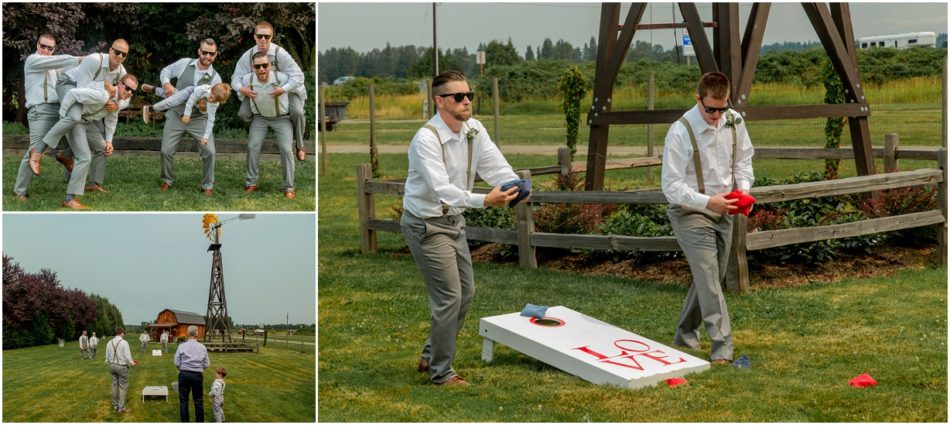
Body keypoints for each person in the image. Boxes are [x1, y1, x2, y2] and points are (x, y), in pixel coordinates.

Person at [401, 70, 521, 386]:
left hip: (454, 221)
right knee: (449, 297)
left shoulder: (473, 130)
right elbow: (442, 189)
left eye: (469, 95)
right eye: (458, 96)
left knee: (465, 291)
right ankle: (441, 373)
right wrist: (486, 201)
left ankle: (431, 355)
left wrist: (513, 186)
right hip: (426, 224)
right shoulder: (426, 139)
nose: (466, 101)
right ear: (440, 101)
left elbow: (496, 166)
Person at [660, 71, 754, 365]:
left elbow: (744, 161)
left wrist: (744, 192)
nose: (716, 115)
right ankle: (722, 347)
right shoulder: (680, 131)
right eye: (710, 108)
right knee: (711, 278)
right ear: (697, 98)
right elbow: (671, 187)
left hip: (725, 209)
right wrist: (707, 201)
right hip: (690, 211)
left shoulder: (735, 122)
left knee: (708, 277)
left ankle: (685, 332)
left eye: (721, 108)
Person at [29, 39, 129, 191]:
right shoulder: (95, 60)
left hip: (90, 100)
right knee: (75, 118)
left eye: (124, 54)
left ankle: (93, 181)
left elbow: (127, 96)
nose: (120, 56)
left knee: (101, 142)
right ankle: (38, 152)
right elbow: (81, 89)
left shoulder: (121, 72)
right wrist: (104, 86)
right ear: (110, 50)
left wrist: (117, 104)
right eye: (117, 52)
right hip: (69, 84)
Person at [39, 74, 136, 209]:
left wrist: (109, 142)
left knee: (103, 148)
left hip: (88, 123)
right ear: (119, 84)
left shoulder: (122, 101)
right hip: (76, 120)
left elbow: (112, 119)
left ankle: (71, 162)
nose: (129, 92)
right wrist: (63, 117)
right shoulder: (103, 94)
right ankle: (69, 198)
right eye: (127, 87)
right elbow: (73, 93)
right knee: (84, 157)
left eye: (133, 91)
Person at [12, 33, 82, 202]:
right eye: (42, 46)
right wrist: (81, 57)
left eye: (49, 48)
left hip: (59, 109)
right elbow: (63, 61)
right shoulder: (33, 60)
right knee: (35, 150)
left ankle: (68, 172)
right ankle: (19, 191)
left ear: (53, 49)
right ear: (37, 45)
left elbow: (74, 73)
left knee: (76, 138)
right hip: (40, 111)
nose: (45, 50)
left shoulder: (55, 65)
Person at [152, 38, 222, 196]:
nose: (207, 57)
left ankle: (207, 185)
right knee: (166, 151)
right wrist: (166, 84)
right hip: (177, 114)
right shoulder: (185, 63)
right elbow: (166, 72)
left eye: (211, 54)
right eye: (205, 52)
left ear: (215, 55)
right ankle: (166, 180)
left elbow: (211, 109)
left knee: (210, 151)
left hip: (198, 119)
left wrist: (204, 108)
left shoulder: (216, 79)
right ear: (199, 51)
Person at [232, 21, 308, 161]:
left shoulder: (280, 53)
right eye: (260, 36)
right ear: (254, 37)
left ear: (272, 37)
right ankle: (261, 120)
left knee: (297, 111)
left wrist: (283, 89)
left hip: (285, 91)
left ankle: (300, 145)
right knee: (243, 113)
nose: (263, 40)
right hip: (258, 92)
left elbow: (299, 76)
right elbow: (235, 78)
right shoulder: (248, 56)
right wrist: (242, 89)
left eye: (267, 36)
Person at [240, 53, 300, 199]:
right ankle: (251, 182)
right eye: (257, 66)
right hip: (260, 118)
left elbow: (298, 83)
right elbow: (240, 92)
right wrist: (242, 91)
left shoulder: (282, 78)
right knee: (252, 146)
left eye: (265, 66)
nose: (261, 69)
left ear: (270, 66)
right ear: (253, 67)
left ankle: (289, 187)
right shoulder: (248, 79)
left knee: (286, 150)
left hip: (281, 118)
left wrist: (284, 90)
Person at [142, 83, 231, 148]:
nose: (211, 101)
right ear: (211, 90)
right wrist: (186, 114)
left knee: (173, 95)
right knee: (174, 100)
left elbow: (211, 120)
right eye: (212, 98)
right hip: (190, 93)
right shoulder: (203, 89)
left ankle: (154, 89)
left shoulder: (215, 104)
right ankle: (150, 109)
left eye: (215, 101)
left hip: (196, 104)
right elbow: (191, 100)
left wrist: (206, 137)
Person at [174, 325, 210, 422]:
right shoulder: (202, 347)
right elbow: (206, 364)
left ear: (187, 333)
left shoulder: (181, 346)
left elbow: (176, 363)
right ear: (197, 334)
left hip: (184, 374)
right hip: (197, 375)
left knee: (183, 401)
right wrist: (197, 367)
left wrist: (182, 368)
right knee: (198, 400)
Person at [105, 326, 136, 414]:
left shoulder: (109, 342)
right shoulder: (124, 342)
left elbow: (107, 357)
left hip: (112, 366)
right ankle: (121, 407)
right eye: (124, 332)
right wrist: (132, 363)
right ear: (121, 332)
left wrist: (110, 363)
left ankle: (115, 405)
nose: (124, 334)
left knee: (114, 385)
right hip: (121, 367)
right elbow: (127, 356)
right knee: (123, 387)